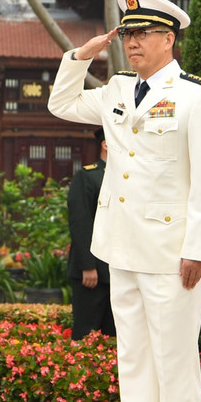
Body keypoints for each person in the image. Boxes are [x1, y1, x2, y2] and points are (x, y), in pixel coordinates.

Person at [47, 0, 201, 402]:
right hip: (120, 249)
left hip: (173, 253)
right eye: (127, 34)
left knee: (174, 366)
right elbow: (61, 104)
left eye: (142, 34)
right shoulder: (117, 90)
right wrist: (80, 56)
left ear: (169, 38)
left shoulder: (199, 96)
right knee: (133, 365)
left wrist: (198, 248)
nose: (132, 44)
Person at [67, 127, 115, 339]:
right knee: (87, 335)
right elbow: (81, 222)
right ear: (105, 144)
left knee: (116, 338)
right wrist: (88, 266)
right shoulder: (88, 176)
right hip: (93, 273)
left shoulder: (126, 179)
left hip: (118, 271)